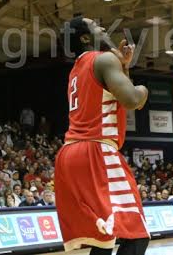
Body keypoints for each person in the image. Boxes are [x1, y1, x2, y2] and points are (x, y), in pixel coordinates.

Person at [55, 17, 150, 254]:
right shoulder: (104, 59)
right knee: (137, 234)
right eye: (96, 26)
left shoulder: (77, 69)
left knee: (104, 239)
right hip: (95, 149)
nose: (103, 27)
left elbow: (111, 94)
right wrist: (143, 90)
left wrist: (124, 68)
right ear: (86, 38)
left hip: (70, 152)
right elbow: (131, 100)